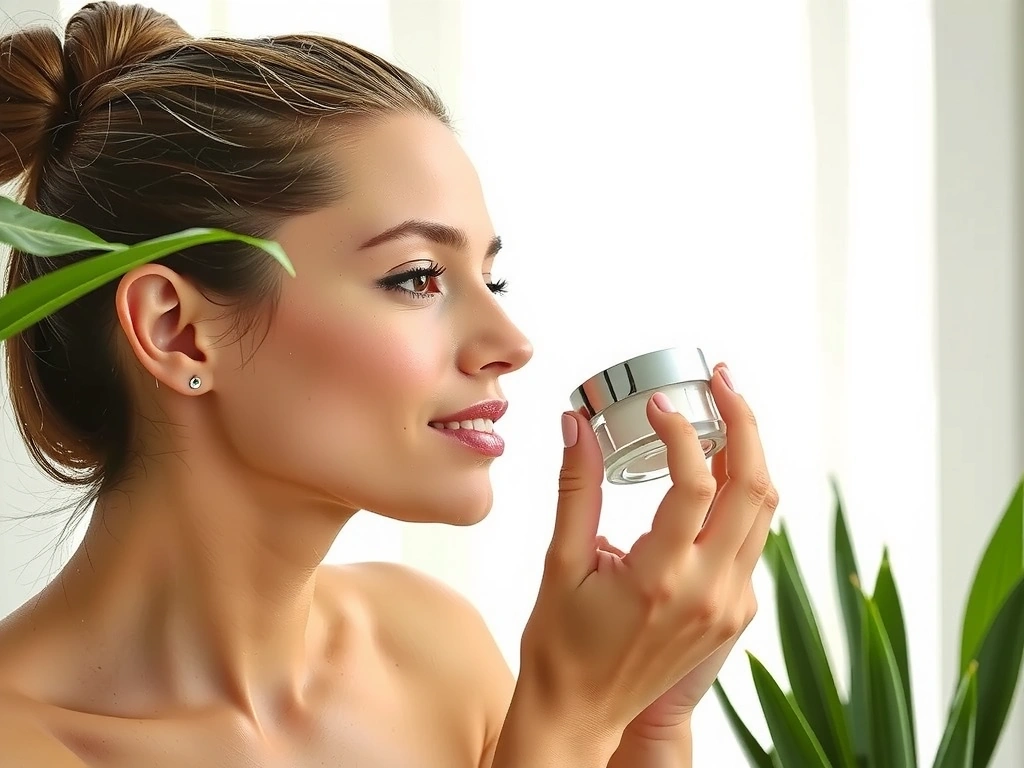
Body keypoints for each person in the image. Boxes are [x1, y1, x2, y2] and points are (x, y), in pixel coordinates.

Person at [0, 3, 779, 766]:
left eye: (491, 280)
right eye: (417, 277)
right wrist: (570, 712)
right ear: (176, 330)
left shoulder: (431, 653)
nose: (511, 345)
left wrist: (646, 725)